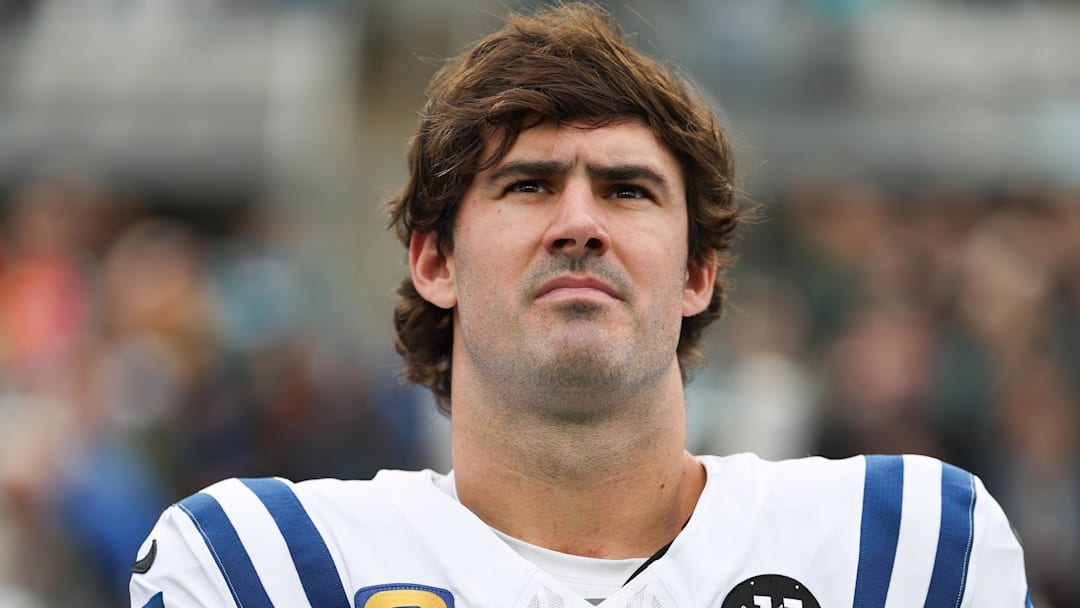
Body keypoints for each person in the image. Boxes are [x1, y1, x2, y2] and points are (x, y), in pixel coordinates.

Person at [129, 3, 1033, 607]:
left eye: (628, 190)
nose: (579, 225)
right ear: (435, 261)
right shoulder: (264, 566)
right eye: (527, 185)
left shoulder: (906, 552)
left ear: (698, 273)